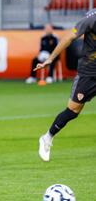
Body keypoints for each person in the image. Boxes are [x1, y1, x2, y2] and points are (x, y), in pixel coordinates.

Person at [35, 10, 96, 162]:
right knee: (74, 110)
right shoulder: (91, 19)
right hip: (88, 73)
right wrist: (50, 59)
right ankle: (47, 137)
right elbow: (69, 37)